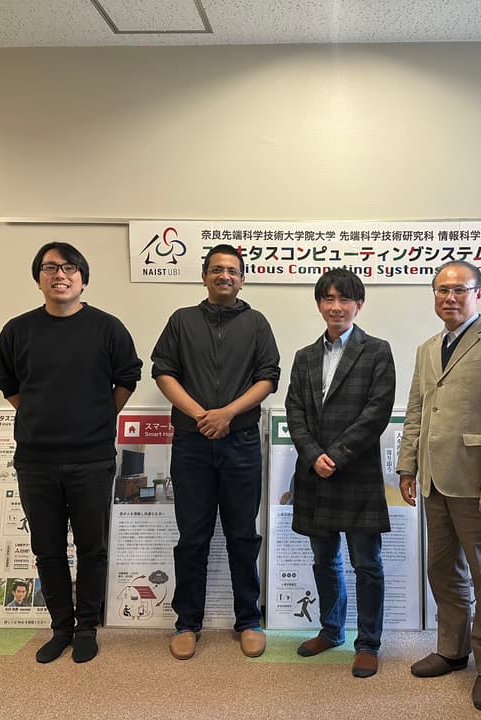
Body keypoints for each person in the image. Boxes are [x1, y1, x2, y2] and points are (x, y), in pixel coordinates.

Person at [0, 241, 142, 664]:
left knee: (92, 548)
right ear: (38, 278)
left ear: (83, 277)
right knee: (48, 548)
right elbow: (7, 382)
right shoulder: (18, 330)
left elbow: (128, 376)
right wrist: (41, 416)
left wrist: (96, 417)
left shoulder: (107, 328)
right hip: (36, 461)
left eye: (69, 267)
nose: (60, 274)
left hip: (92, 458)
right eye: (49, 268)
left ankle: (87, 627)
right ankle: (60, 627)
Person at [396, 260, 481, 712]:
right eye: (441, 290)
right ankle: (453, 651)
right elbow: (417, 411)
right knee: (443, 571)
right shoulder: (427, 347)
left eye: (459, 290)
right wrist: (407, 466)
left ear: (479, 293)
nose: (449, 298)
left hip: (479, 482)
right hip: (435, 480)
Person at [151, 243, 280, 661]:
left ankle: (248, 619)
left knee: (243, 534)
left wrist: (226, 413)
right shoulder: (181, 321)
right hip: (191, 443)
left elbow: (268, 379)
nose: (225, 276)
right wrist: (201, 415)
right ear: (204, 276)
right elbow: (163, 372)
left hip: (241, 442)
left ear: (243, 279)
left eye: (233, 271)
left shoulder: (257, 322)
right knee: (193, 536)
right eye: (217, 270)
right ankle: (187, 622)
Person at [285, 269, 396, 679]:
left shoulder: (377, 351)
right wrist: (314, 455)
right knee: (324, 560)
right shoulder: (304, 356)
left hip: (356, 473)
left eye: (345, 299)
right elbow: (294, 410)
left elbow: (377, 412)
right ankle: (331, 630)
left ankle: (367, 643)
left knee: (367, 563)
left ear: (359, 305)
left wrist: (337, 454)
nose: (336, 307)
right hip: (315, 474)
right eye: (328, 299)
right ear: (319, 304)